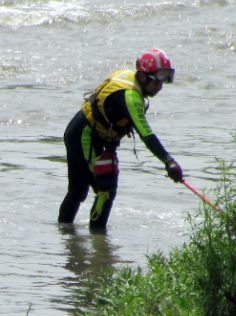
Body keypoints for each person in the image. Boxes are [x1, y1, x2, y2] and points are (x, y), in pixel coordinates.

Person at [58, 49, 184, 231]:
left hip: (81, 132)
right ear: (141, 76)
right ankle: (99, 241)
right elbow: (146, 134)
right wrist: (169, 161)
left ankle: (64, 233)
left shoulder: (128, 78)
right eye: (157, 80)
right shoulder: (130, 97)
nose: (160, 86)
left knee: (77, 191)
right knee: (106, 189)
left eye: (165, 79)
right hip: (85, 137)